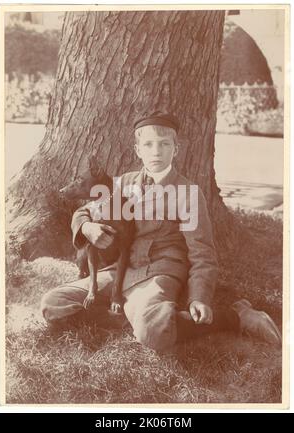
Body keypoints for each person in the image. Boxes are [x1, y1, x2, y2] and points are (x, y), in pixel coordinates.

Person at [40, 112, 281, 352]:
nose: (156, 151)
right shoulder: (122, 184)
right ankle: (141, 315)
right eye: (148, 144)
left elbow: (202, 253)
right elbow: (85, 210)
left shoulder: (188, 194)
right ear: (137, 150)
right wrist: (87, 227)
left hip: (160, 271)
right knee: (53, 304)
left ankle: (234, 315)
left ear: (176, 149)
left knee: (154, 334)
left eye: (165, 144)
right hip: (120, 271)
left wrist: (199, 296)